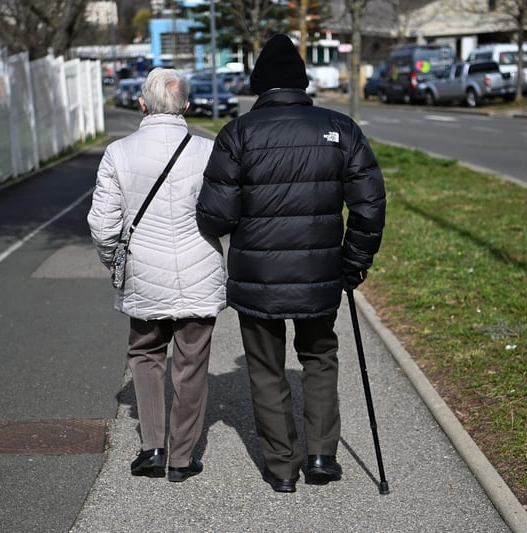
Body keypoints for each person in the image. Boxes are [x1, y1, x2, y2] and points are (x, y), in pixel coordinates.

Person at [196, 34, 386, 493]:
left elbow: (216, 217)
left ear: (259, 85)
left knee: (266, 368)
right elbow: (369, 204)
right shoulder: (340, 128)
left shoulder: (238, 133)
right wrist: (354, 260)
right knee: (319, 356)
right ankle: (321, 455)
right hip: (320, 272)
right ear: (303, 83)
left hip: (258, 275)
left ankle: (282, 467)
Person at [88, 68, 226, 482]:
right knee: (192, 362)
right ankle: (182, 458)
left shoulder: (118, 153)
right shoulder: (210, 151)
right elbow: (225, 213)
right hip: (199, 269)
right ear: (187, 105)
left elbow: (103, 226)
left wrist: (115, 262)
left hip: (144, 270)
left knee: (146, 354)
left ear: (142, 104)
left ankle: (152, 446)